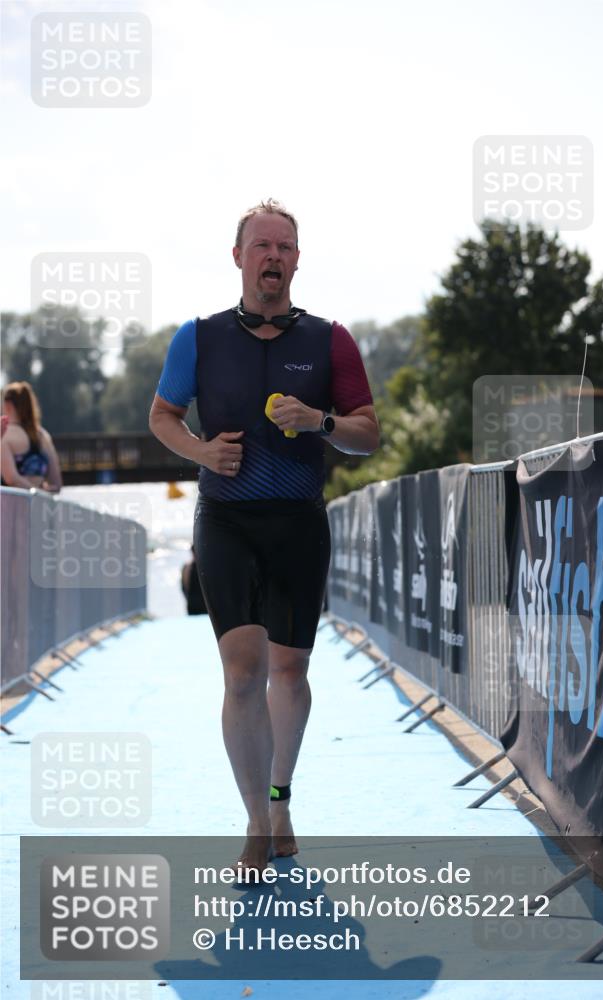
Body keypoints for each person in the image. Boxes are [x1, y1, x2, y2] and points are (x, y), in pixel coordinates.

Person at [149, 198, 379, 875]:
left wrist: (320, 422)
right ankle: (256, 820)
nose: (272, 256)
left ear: (297, 260)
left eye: (284, 246)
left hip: (298, 522)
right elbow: (162, 415)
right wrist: (200, 451)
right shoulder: (199, 337)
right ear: (238, 257)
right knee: (243, 671)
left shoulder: (330, 340)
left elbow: (368, 434)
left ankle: (280, 798)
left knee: (290, 671)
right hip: (225, 520)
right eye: (261, 245)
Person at [1, 382, 62, 493]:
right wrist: (39, 491)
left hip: (13, 502)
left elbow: (11, 479)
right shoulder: (43, 436)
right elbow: (56, 484)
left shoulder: (4, 434)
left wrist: (35, 491)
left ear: (8, 405)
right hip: (39, 502)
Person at [181, 544, 207, 615]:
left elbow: (184, 587)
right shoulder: (189, 567)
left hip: (195, 605)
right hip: (198, 605)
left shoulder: (187, 567)